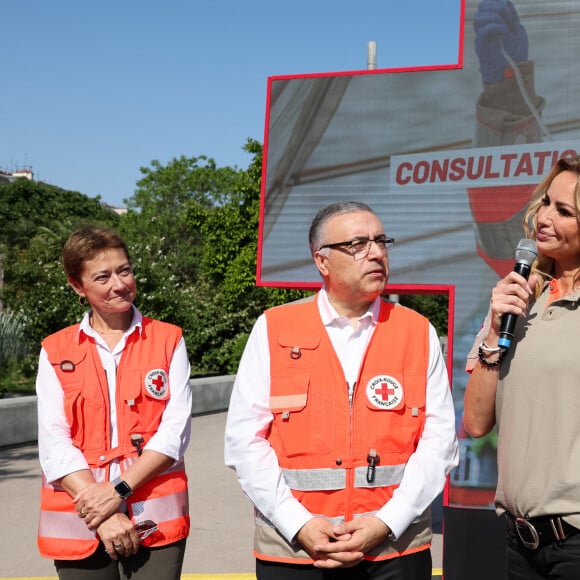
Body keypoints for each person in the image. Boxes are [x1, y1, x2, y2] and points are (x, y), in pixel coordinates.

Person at [224, 201, 458, 579]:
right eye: (359, 244)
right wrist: (298, 524)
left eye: (381, 241)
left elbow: (439, 441)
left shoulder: (416, 331)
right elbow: (244, 442)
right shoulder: (274, 329)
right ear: (322, 261)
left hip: (394, 550)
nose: (377, 253)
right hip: (295, 551)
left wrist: (386, 522)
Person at [35, 227, 192, 580]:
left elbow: (174, 432)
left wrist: (120, 489)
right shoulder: (55, 350)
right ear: (78, 286)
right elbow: (54, 439)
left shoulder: (168, 339)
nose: (119, 284)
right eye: (102, 277)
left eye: (124, 270)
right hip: (83, 516)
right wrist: (103, 510)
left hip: (154, 516)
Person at [464, 155, 580, 578]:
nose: (544, 217)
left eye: (564, 211)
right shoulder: (515, 297)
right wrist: (495, 331)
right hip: (519, 539)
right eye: (546, 202)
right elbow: (476, 423)